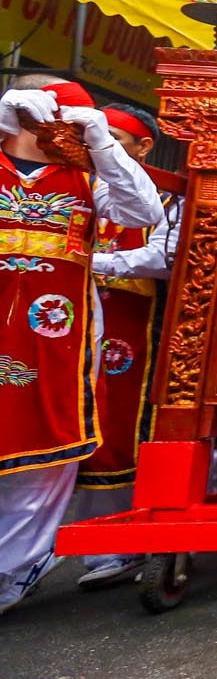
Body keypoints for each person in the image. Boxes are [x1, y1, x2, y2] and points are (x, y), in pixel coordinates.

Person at [0, 77, 163, 614]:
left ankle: (13, 570)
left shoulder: (87, 179)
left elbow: (144, 214)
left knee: (46, 445)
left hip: (57, 339)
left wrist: (100, 143)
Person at [71, 105, 181, 588]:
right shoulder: (74, 183)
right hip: (69, 314)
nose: (101, 147)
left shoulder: (159, 192)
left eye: (115, 138)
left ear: (142, 148)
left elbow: (164, 256)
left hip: (130, 321)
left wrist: (89, 259)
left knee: (116, 426)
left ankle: (117, 544)